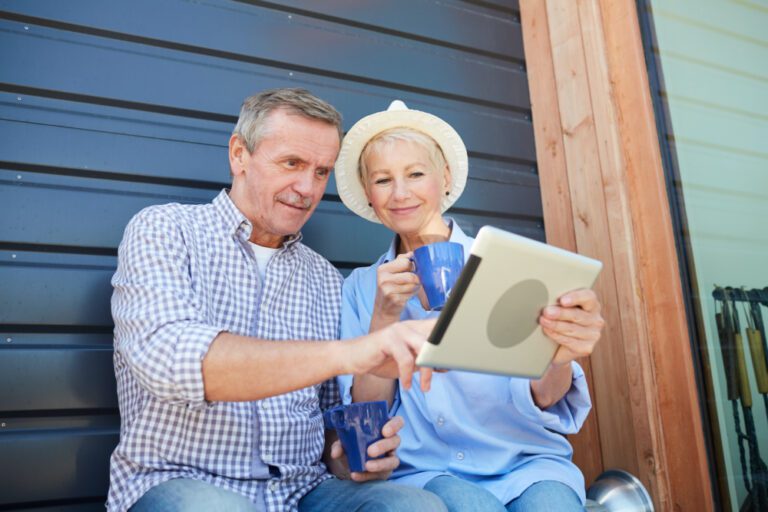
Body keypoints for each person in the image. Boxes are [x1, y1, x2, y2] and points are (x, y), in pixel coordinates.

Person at [107, 88, 447, 512]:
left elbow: (327, 425)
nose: (306, 188)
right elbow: (174, 361)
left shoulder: (323, 277)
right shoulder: (165, 230)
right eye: (292, 164)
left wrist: (351, 457)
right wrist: (356, 351)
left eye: (321, 172)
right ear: (239, 155)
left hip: (302, 491)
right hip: (183, 480)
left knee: (414, 506)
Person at [334, 100, 605, 511]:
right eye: (383, 180)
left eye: (416, 174)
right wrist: (384, 318)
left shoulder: (507, 263)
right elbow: (366, 412)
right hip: (427, 471)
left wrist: (560, 356)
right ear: (369, 196)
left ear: (444, 179)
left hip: (525, 462)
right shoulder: (359, 288)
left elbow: (548, 396)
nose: (401, 193)